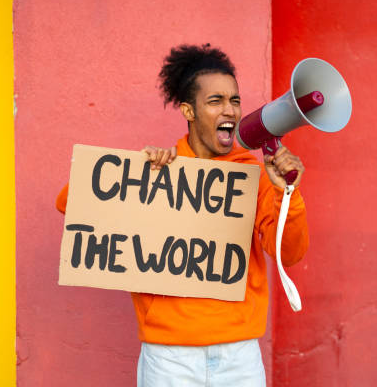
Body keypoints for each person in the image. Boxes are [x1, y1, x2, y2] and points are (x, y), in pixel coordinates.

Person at [56, 44, 309, 387]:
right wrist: (139, 171)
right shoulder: (165, 169)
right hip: (168, 359)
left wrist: (286, 191)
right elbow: (70, 201)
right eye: (215, 101)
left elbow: (290, 253)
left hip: (239, 356)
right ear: (189, 111)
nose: (230, 111)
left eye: (235, 101)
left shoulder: (253, 175)